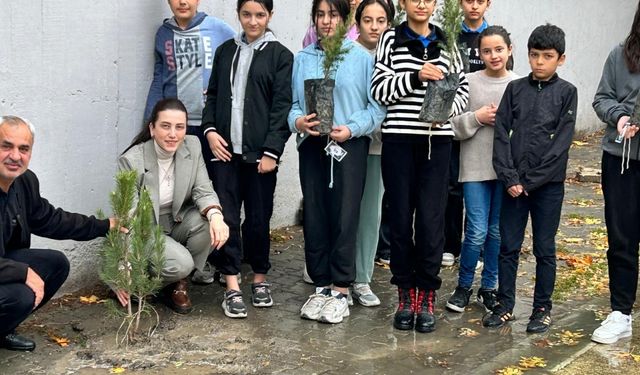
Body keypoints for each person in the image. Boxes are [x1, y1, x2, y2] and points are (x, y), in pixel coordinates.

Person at [371, 0, 469, 333]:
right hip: (398, 142)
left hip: (436, 143)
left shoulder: (448, 40)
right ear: (403, 3)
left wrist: (445, 109)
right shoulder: (389, 39)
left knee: (431, 219)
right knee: (399, 217)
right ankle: (404, 294)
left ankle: (426, 293)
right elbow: (379, 91)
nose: (422, 3)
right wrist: (415, 75)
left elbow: (463, 89)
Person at [289, 0, 385, 324]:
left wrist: (352, 128)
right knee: (315, 215)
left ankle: (341, 289)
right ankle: (321, 287)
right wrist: (299, 122)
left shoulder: (361, 59)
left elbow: (376, 109)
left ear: (345, 20)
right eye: (321, 14)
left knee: (345, 216)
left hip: (348, 146)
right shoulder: (303, 58)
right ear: (314, 19)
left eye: (334, 15)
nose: (327, 21)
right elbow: (292, 106)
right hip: (312, 147)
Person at [201, 0, 293, 318]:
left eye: (260, 15)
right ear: (238, 15)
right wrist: (210, 132)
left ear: (270, 16)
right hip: (224, 152)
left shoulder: (281, 56)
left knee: (258, 219)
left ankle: (259, 277)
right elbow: (212, 95)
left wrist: (272, 152)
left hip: (259, 158)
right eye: (246, 15)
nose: (252, 22)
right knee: (226, 218)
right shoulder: (226, 50)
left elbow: (283, 107)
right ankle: (231, 284)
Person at [483, 24, 577, 333]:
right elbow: (501, 135)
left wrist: (531, 181)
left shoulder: (567, 93)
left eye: (547, 56)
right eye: (534, 55)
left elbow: (560, 145)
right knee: (508, 245)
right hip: (513, 185)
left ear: (560, 59)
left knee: (544, 248)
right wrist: (510, 177)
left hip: (547, 187)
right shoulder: (515, 89)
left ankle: (541, 308)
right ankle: (505, 304)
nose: (539, 62)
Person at [0, 116, 117, 352]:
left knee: (55, 264)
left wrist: (105, 226)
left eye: (24, 149)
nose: (15, 156)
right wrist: (23, 272)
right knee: (21, 295)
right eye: (6, 146)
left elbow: (51, 219)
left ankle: (2, 329)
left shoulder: (24, 182)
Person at [118, 98, 229, 315]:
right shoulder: (132, 160)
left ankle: (178, 284)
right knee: (181, 263)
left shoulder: (193, 145)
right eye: (165, 126)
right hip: (145, 229)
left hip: (177, 221)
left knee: (209, 223)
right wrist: (124, 267)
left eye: (180, 127)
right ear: (152, 128)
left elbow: (203, 189)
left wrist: (216, 215)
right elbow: (127, 216)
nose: (173, 134)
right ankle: (147, 281)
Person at [446, 25, 518, 314]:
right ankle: (463, 286)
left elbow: (525, 130)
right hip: (474, 168)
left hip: (505, 172)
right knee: (475, 230)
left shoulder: (518, 84)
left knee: (496, 232)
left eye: (499, 49)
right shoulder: (469, 81)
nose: (493, 55)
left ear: (509, 51)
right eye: (486, 51)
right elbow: (450, 125)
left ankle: (489, 288)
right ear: (479, 54)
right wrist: (476, 117)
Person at [144, 0, 235, 191]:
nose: (183, 2)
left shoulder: (217, 28)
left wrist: (224, 88)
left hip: (211, 127)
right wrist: (149, 121)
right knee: (180, 188)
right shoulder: (163, 33)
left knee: (215, 187)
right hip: (177, 129)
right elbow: (159, 79)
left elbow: (243, 58)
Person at [591, 2, 640, 345]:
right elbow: (601, 98)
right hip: (622, 158)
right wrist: (620, 117)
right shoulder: (620, 54)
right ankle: (621, 312)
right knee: (622, 237)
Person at [350, 0, 394, 307]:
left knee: (369, 214)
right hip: (347, 143)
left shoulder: (393, 55)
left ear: (389, 23)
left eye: (380, 20)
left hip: (378, 145)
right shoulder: (345, 54)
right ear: (358, 22)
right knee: (342, 212)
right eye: (368, 19)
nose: (374, 26)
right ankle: (336, 276)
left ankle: (362, 279)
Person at [442, 0, 491, 267]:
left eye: (480, 1)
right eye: (468, 0)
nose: (474, 6)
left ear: (488, 4)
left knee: (479, 183)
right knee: (451, 186)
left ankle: (477, 246)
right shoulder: (450, 36)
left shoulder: (494, 37)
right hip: (454, 119)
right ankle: (450, 245)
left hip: (483, 122)